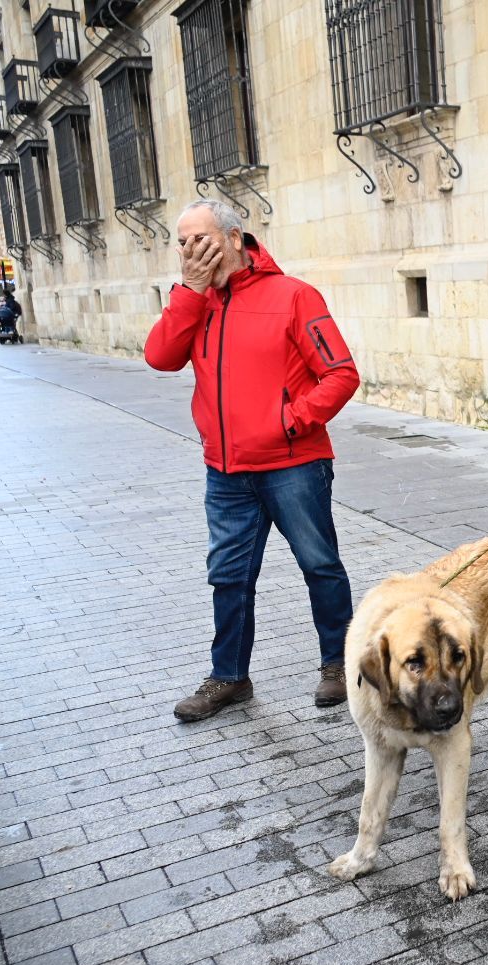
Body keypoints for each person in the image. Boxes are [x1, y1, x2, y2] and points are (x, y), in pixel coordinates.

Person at [145, 200, 360, 722]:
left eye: (202, 239)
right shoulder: (194, 303)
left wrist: (289, 421)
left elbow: (341, 373)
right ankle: (229, 676)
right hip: (225, 471)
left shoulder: (293, 296)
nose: (191, 251)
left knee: (320, 565)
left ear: (236, 238)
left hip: (293, 465)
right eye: (183, 242)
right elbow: (159, 357)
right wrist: (189, 295)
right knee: (228, 575)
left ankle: (341, 665)